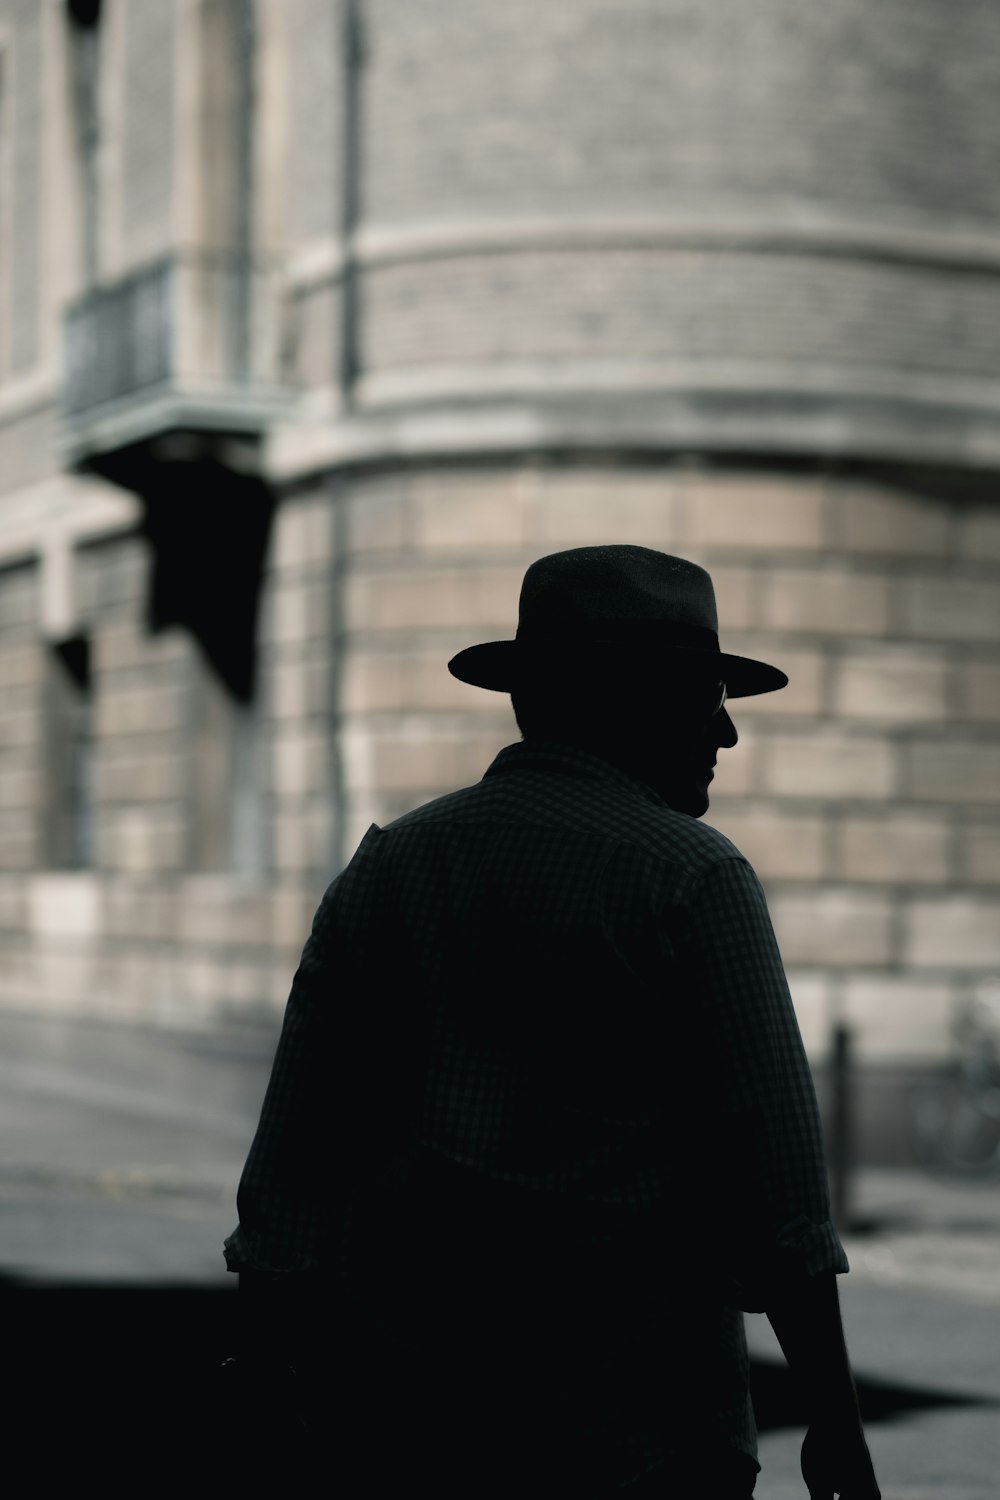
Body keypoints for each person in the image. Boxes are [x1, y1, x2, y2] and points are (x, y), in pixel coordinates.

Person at [222, 544, 881, 1499]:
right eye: (706, 695)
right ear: (636, 699)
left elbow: (295, 1164)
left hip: (402, 1427)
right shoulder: (693, 878)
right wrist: (835, 1419)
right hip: (640, 1440)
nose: (727, 734)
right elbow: (778, 1198)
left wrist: (262, 1373)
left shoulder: (390, 869)